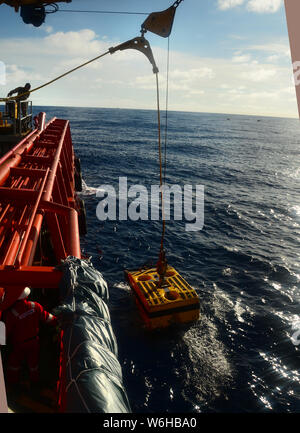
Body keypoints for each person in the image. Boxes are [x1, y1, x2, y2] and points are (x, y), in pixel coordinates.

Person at [2, 287, 57, 387]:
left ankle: (12, 384)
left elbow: (4, 333)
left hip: (19, 345)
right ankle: (35, 382)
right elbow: (48, 318)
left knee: (14, 364)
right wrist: (59, 321)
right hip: (34, 342)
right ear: (26, 295)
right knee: (33, 364)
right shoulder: (35, 306)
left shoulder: (11, 313)